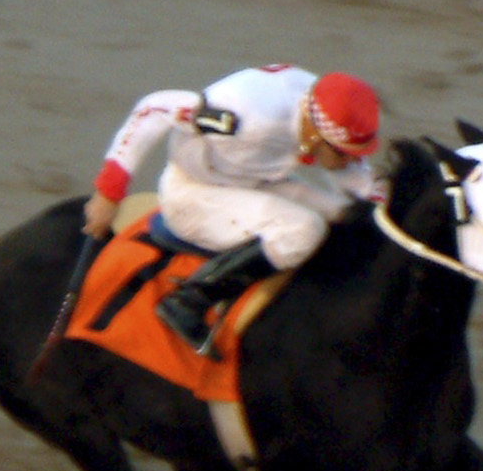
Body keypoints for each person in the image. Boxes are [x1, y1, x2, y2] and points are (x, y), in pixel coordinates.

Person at [84, 65, 386, 356]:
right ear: (314, 136)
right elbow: (155, 108)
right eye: (343, 154)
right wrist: (109, 192)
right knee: (303, 230)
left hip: (252, 183)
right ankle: (189, 300)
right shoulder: (243, 117)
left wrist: (388, 206)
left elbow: (358, 181)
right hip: (195, 194)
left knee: (347, 213)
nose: (351, 162)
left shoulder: (320, 104)